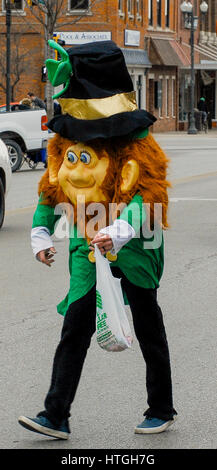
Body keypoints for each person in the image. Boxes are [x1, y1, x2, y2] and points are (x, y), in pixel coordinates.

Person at [18, 40, 177, 440]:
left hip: (136, 249)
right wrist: (40, 232)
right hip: (86, 250)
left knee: (148, 327)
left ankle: (161, 408)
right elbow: (51, 189)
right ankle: (56, 414)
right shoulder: (65, 141)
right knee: (75, 328)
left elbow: (150, 192)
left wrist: (120, 230)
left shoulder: (135, 140)